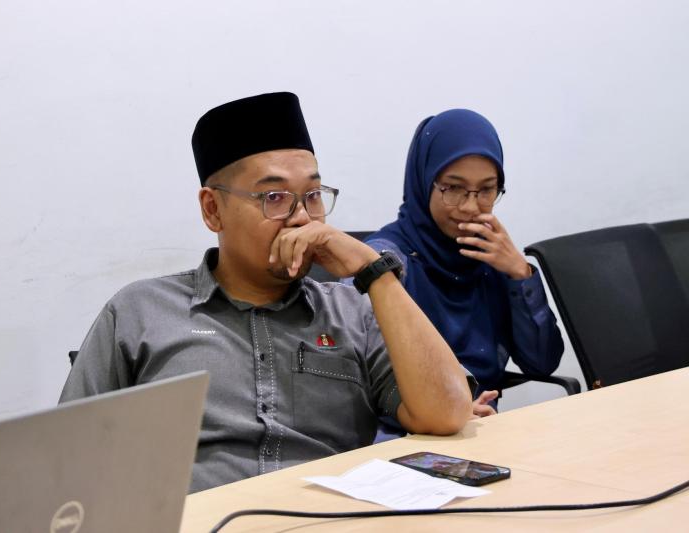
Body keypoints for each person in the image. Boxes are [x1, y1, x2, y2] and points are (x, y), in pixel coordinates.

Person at [59, 92, 474, 493]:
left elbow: (448, 414)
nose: (301, 218)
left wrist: (375, 272)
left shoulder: (352, 312)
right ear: (212, 210)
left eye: (313, 196)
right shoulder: (141, 312)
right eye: (274, 197)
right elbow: (67, 455)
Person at [363, 109, 564, 410]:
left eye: (486, 190)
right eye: (454, 188)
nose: (471, 207)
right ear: (423, 181)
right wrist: (447, 412)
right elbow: (362, 383)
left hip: (486, 426)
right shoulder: (384, 262)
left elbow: (542, 364)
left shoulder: (490, 256)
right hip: (406, 429)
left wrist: (520, 274)